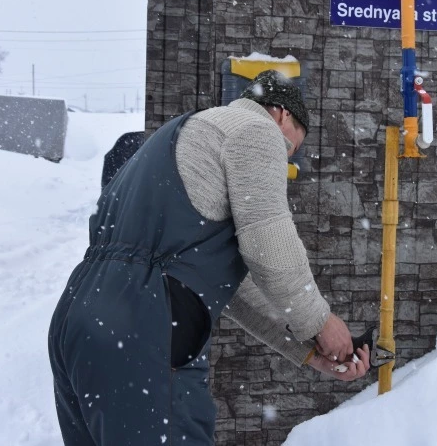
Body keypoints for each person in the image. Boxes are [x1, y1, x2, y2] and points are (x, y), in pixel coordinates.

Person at [48, 70, 370, 445]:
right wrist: (321, 321)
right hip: (144, 329)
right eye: (293, 146)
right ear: (282, 114)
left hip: (78, 320)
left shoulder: (178, 137)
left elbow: (219, 286)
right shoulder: (256, 129)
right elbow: (269, 243)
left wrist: (307, 351)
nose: (288, 155)